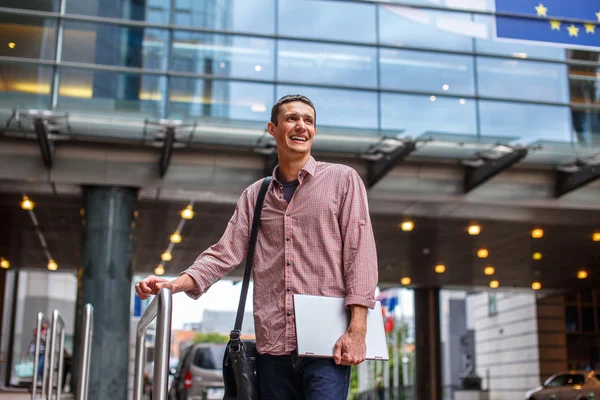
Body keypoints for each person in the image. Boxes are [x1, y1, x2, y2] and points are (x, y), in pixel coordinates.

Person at [136, 94, 378, 399]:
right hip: (272, 348)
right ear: (272, 129)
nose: (301, 126)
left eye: (309, 121)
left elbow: (361, 256)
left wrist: (358, 329)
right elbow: (225, 253)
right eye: (291, 118)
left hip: (327, 344)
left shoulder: (343, 180)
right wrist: (174, 285)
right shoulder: (256, 195)